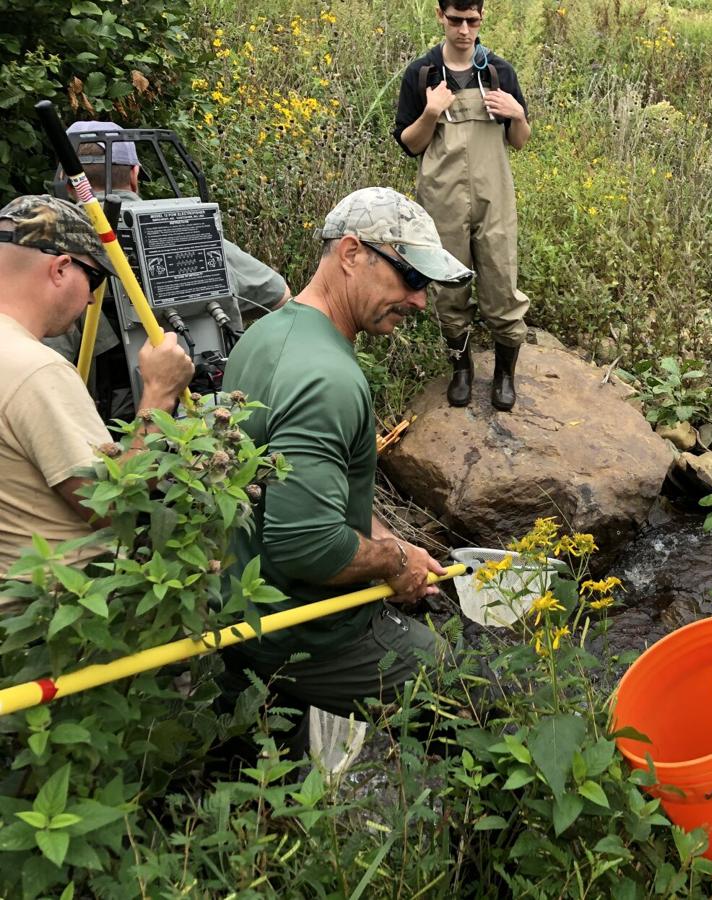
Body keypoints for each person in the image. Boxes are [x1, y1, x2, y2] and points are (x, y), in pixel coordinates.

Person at [219, 187, 473, 732]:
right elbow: (306, 544)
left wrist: (391, 540)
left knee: (268, 781)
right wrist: (393, 563)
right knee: (478, 704)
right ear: (352, 253)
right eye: (411, 278)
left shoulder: (265, 334)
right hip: (307, 627)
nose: (420, 301)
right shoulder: (329, 380)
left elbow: (310, 491)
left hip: (242, 612)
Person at [0, 195, 194, 584]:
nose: (92, 298)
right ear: (61, 268)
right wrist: (159, 394)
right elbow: (112, 503)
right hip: (59, 617)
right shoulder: (36, 370)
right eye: (95, 278)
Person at [44, 120, 292, 366]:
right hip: (218, 398)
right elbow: (278, 296)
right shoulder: (192, 229)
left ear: (66, 182)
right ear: (134, 174)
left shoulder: (54, 252)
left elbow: (48, 362)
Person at [393, 0, 531, 411]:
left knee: (502, 285)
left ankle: (505, 375)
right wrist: (432, 112)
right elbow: (411, 144)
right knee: (449, 288)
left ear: (481, 19)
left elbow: (519, 140)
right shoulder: (422, 74)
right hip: (442, 197)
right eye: (456, 20)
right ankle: (462, 370)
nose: (464, 30)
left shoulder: (498, 72)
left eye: (472, 21)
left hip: (495, 196)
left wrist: (518, 114)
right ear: (441, 16)